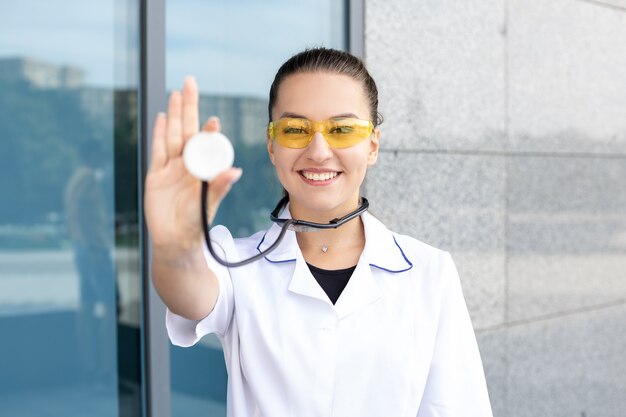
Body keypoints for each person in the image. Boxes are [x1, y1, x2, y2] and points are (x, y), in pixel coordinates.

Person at [145, 48, 493, 417]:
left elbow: (455, 407)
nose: (319, 150)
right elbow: (189, 293)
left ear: (372, 144)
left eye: (342, 129)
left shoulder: (430, 272)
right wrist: (174, 250)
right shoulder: (235, 264)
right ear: (271, 146)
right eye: (295, 129)